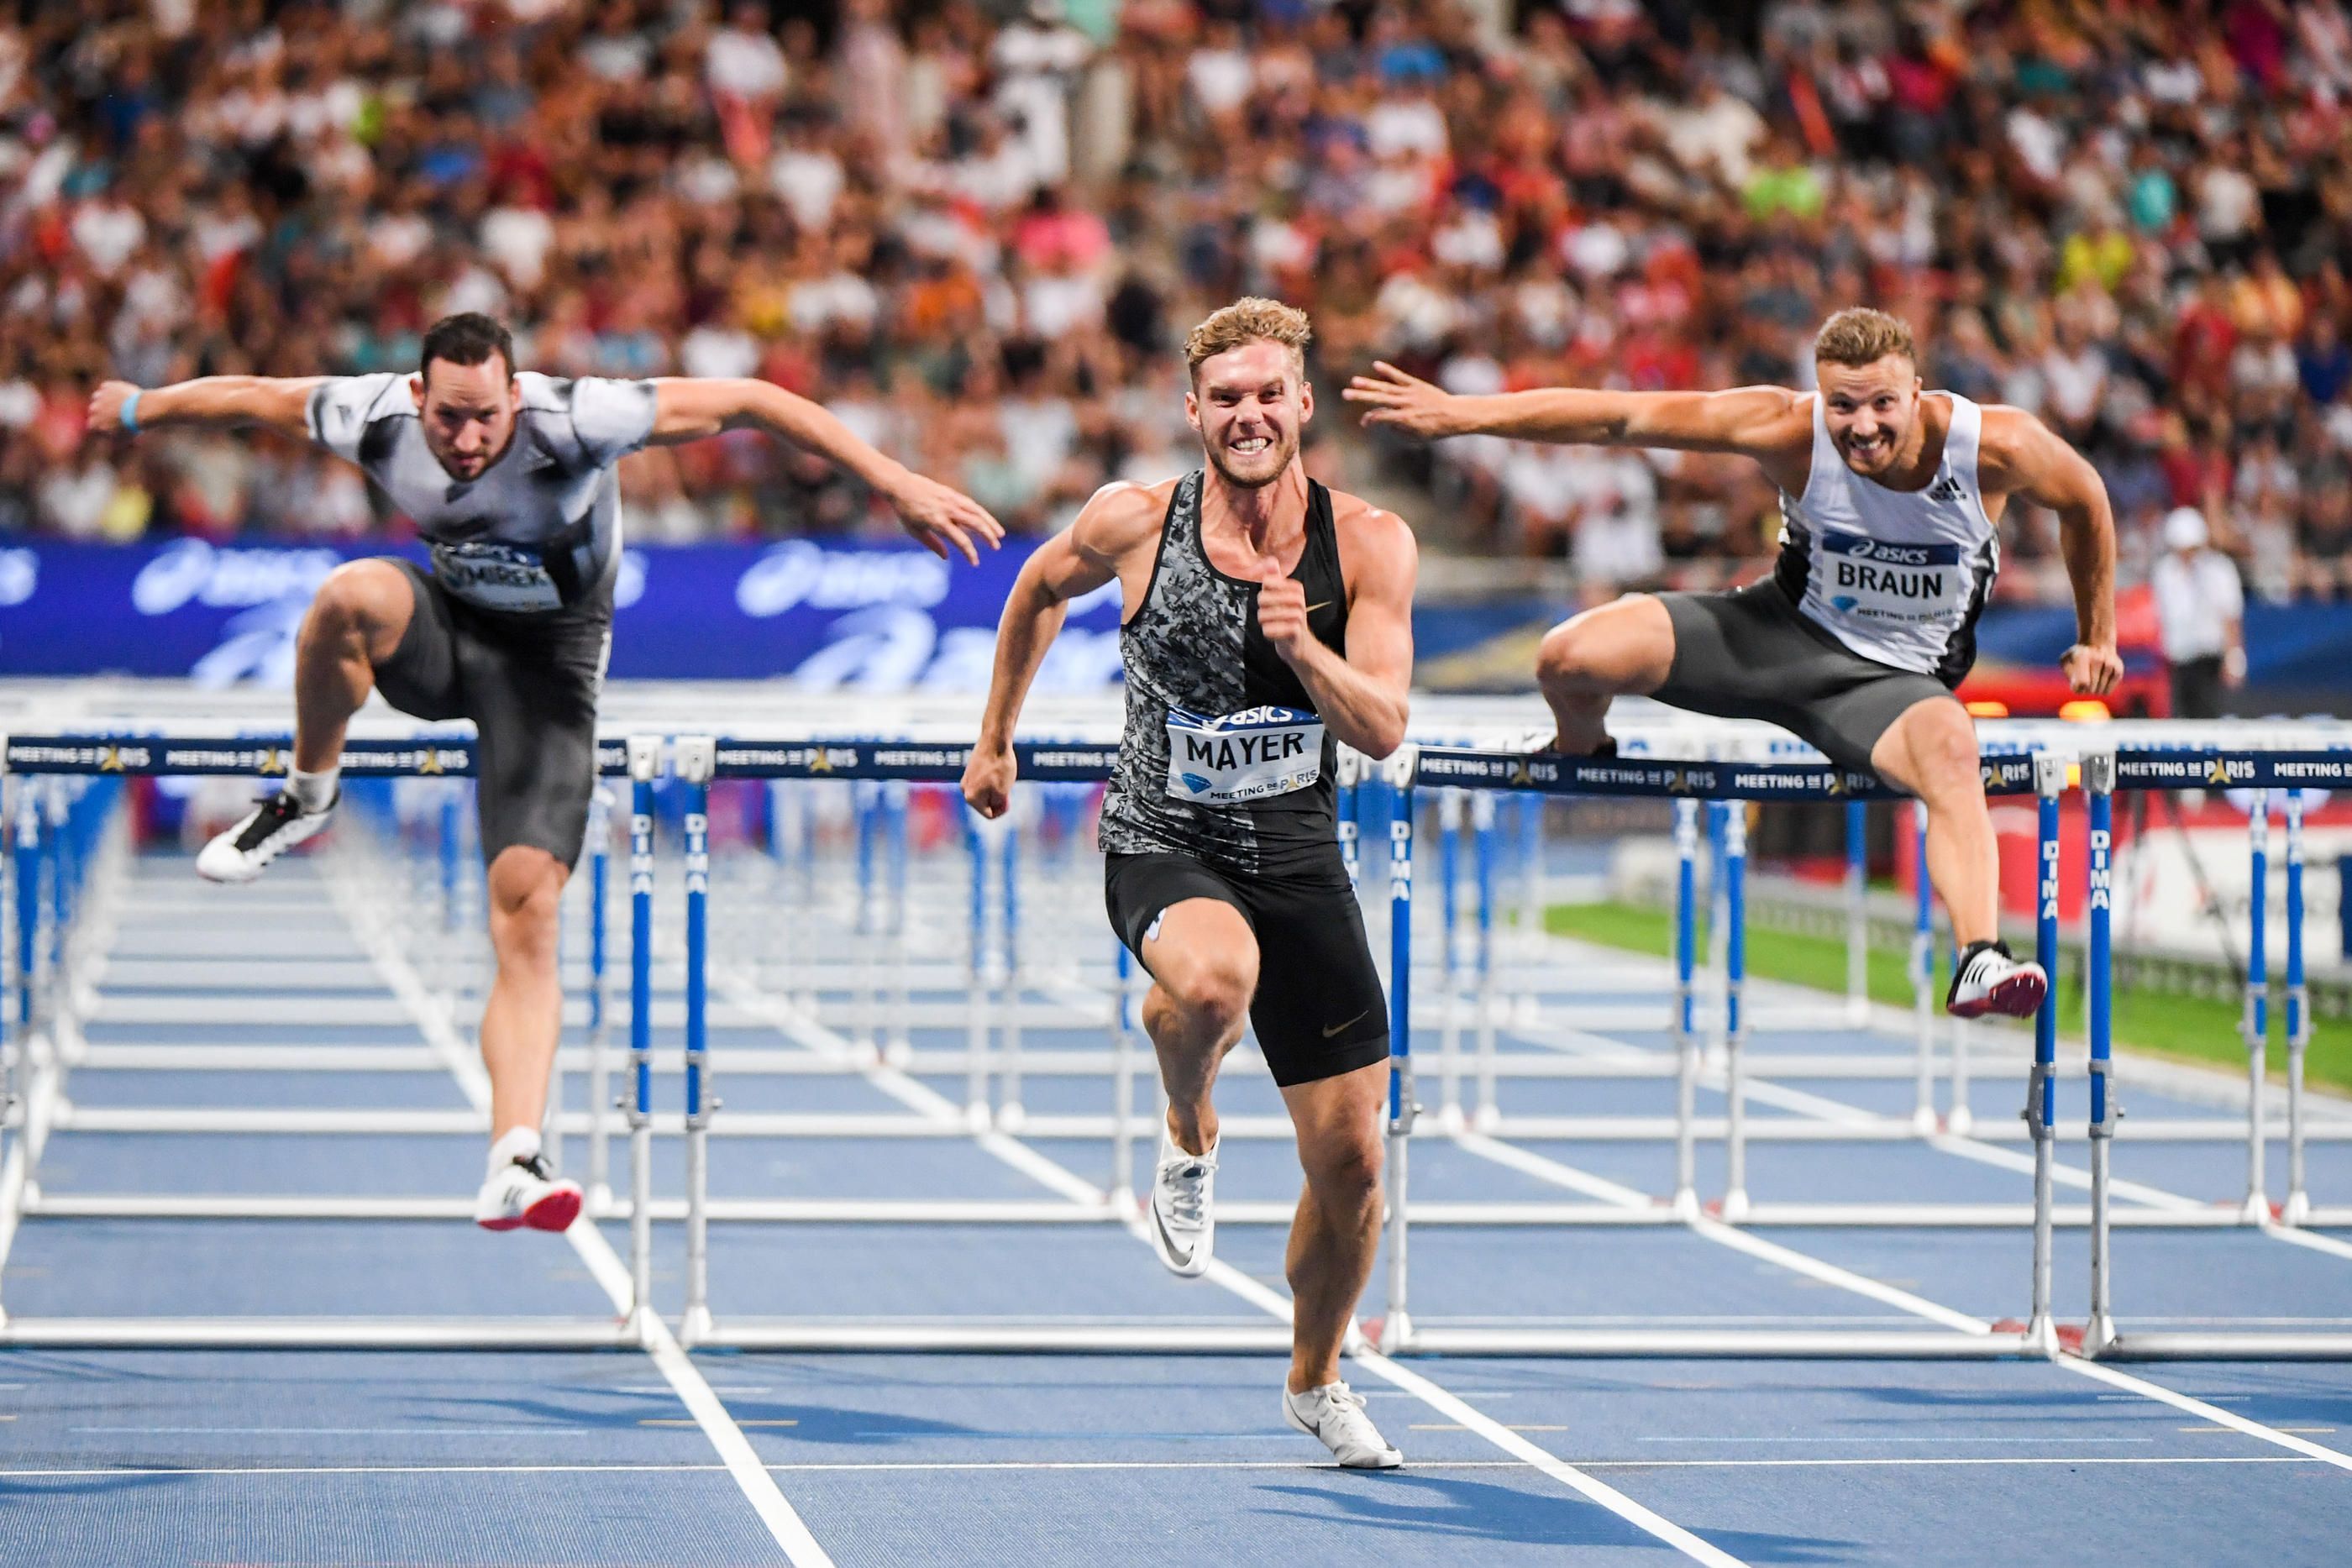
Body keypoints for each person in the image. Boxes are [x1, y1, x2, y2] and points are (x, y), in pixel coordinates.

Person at [88, 312, 1001, 1232]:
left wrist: (894, 482)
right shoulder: (371, 415)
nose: (469, 439)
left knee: (526, 914)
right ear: (417, 398)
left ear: (516, 397)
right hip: (446, 635)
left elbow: (750, 400)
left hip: (550, 674)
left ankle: (514, 1158)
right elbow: (255, 397)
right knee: (345, 597)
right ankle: (304, 797)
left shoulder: (580, 419)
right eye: (449, 419)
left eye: (486, 416)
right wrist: (137, 410)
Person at [1347, 307, 2121, 1019]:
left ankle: (1979, 956)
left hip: (1891, 685)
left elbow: (2085, 498)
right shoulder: (1787, 427)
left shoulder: (1996, 445)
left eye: (1882, 404)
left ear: (1918, 391)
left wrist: (2098, 634)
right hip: (1774, 632)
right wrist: (1462, 415)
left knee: (1954, 752)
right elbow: (1621, 416)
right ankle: (1579, 746)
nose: (1861, 426)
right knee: (1569, 656)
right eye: (1842, 405)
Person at [962, 298, 1417, 1468]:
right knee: (1214, 981)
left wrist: (1305, 645)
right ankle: (1188, 1118)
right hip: (1164, 834)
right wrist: (996, 738)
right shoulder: (1134, 520)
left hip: (1299, 852)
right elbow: (1031, 593)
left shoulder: (1368, 541)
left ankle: (1315, 1379)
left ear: (1303, 403)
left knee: (1355, 1158)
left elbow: (1380, 728)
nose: (1250, 414)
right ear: (1193, 410)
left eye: (1270, 393)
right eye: (1228, 398)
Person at [2150, 506, 2245, 719]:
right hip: (2176, 660)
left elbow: (2230, 616)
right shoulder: (2164, 572)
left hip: (2208, 658)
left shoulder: (2219, 569)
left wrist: (2234, 658)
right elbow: (2161, 616)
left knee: (2209, 717)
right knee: (2180, 719)